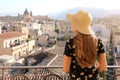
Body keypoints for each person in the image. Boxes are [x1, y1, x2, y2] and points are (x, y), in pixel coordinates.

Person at [63, 10, 107, 80]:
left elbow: (66, 68)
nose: (72, 24)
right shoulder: (98, 42)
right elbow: (103, 66)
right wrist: (94, 72)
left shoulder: (70, 43)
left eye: (74, 23)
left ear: (77, 26)